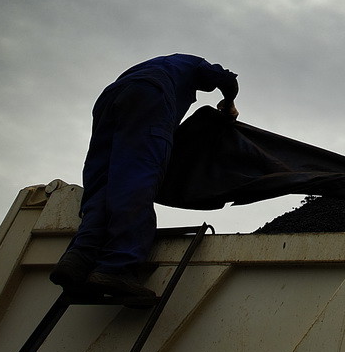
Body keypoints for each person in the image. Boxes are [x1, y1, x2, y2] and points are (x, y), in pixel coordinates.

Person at [50, 54, 240, 305]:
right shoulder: (192, 64)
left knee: (104, 182)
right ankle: (115, 268)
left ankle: (78, 259)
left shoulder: (157, 66)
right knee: (136, 178)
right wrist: (228, 102)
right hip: (149, 96)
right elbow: (226, 78)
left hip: (109, 100)